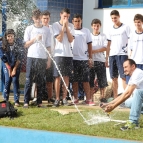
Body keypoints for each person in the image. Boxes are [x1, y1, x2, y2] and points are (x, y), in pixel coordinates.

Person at [101, 59, 143, 131]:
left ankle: (133, 122)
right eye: (123, 67)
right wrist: (108, 103)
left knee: (138, 92)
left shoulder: (138, 73)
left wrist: (113, 106)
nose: (124, 69)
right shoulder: (133, 76)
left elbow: (128, 94)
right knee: (128, 102)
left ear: (133, 66)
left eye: (126, 67)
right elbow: (124, 94)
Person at [23, 9, 51, 108]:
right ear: (33, 18)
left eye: (39, 18)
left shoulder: (47, 30)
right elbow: (25, 44)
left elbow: (48, 46)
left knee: (40, 80)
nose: (38, 20)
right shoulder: (29, 29)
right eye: (36, 18)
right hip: (31, 57)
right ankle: (26, 101)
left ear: (41, 17)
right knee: (28, 80)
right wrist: (34, 39)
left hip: (42, 58)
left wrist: (49, 60)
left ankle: (39, 102)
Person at [52, 8, 74, 107]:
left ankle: (64, 98)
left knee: (66, 76)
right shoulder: (55, 25)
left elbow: (70, 40)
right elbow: (59, 39)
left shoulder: (71, 26)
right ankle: (57, 98)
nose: (66, 18)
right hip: (58, 54)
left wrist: (67, 27)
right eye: (64, 16)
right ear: (60, 15)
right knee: (57, 77)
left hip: (68, 54)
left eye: (68, 17)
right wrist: (63, 27)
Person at [106, 10, 131, 99]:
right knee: (114, 78)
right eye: (112, 18)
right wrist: (106, 58)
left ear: (119, 16)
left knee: (123, 77)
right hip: (112, 56)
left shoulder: (126, 27)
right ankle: (116, 98)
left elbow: (130, 41)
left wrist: (130, 54)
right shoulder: (110, 29)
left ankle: (126, 98)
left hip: (122, 55)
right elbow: (108, 45)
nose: (114, 19)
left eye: (115, 18)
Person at [32, 10, 55, 104]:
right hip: (39, 57)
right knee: (37, 78)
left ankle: (50, 97)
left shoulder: (52, 28)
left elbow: (54, 42)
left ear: (49, 18)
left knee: (50, 79)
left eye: (47, 18)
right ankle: (35, 97)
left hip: (50, 56)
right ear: (41, 18)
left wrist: (50, 58)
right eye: (44, 18)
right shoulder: (37, 28)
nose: (45, 20)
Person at [71, 14, 94, 105]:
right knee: (75, 80)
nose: (77, 23)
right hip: (73, 59)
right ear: (73, 21)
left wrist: (90, 58)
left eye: (79, 21)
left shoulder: (86, 31)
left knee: (85, 80)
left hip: (84, 59)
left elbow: (90, 45)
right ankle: (75, 98)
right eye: (75, 21)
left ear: (81, 21)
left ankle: (88, 99)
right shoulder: (70, 31)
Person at [0, 29, 23, 107]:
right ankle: (5, 100)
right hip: (7, 64)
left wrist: (14, 69)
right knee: (8, 80)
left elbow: (20, 57)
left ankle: (16, 101)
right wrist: (9, 69)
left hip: (16, 64)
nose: (10, 38)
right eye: (8, 36)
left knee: (15, 79)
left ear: (14, 36)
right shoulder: (2, 44)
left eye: (11, 36)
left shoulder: (18, 43)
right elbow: (3, 58)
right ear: (6, 37)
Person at [125, 14, 143, 108]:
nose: (137, 24)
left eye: (139, 22)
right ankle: (132, 102)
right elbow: (131, 49)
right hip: (135, 63)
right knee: (132, 84)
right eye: (135, 22)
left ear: (142, 22)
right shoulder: (132, 35)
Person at [90, 19, 108, 103]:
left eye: (97, 26)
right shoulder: (89, 36)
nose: (96, 27)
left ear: (100, 26)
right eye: (94, 26)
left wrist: (94, 51)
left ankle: (102, 97)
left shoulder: (103, 36)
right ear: (92, 26)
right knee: (91, 79)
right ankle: (90, 97)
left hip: (101, 60)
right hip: (91, 61)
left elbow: (105, 48)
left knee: (102, 80)